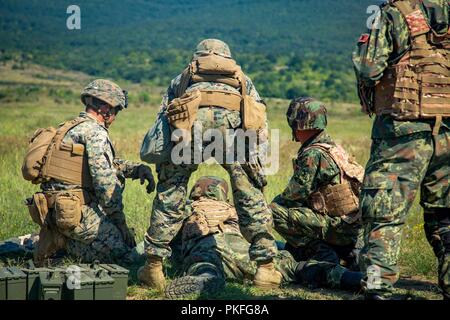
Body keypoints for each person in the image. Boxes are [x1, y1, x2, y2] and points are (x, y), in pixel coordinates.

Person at [139, 39, 279, 291]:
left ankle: (153, 267)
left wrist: (167, 160)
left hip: (190, 128)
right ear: (227, 57)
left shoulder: (182, 78)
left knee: (172, 192)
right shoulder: (242, 79)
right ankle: (265, 269)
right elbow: (259, 118)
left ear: (197, 56)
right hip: (234, 130)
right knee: (249, 196)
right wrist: (255, 161)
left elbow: (163, 117)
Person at [352, 0, 450, 300]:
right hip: (447, 132)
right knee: (445, 215)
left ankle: (378, 287)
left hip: (402, 131)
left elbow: (369, 69)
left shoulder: (393, 13)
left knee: (383, 212)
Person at [23, 79, 155, 267]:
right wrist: (120, 223)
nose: (115, 117)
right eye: (116, 110)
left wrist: (135, 170)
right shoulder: (94, 133)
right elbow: (105, 185)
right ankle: (62, 248)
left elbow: (92, 167)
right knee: (126, 256)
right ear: (105, 108)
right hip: (75, 211)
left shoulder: (70, 127)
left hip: (55, 211)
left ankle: (59, 243)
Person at [164, 176, 363, 299]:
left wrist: (143, 258)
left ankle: (206, 280)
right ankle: (359, 280)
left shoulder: (187, 210)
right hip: (252, 255)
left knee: (203, 266)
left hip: (210, 251)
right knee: (300, 268)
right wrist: (283, 248)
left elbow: (166, 242)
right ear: (222, 194)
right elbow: (259, 234)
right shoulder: (234, 209)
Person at [269, 97, 365, 287]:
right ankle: (346, 253)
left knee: (272, 211)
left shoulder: (313, 154)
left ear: (298, 123)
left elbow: (293, 196)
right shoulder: (333, 148)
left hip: (337, 228)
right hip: (352, 226)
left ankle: (320, 253)